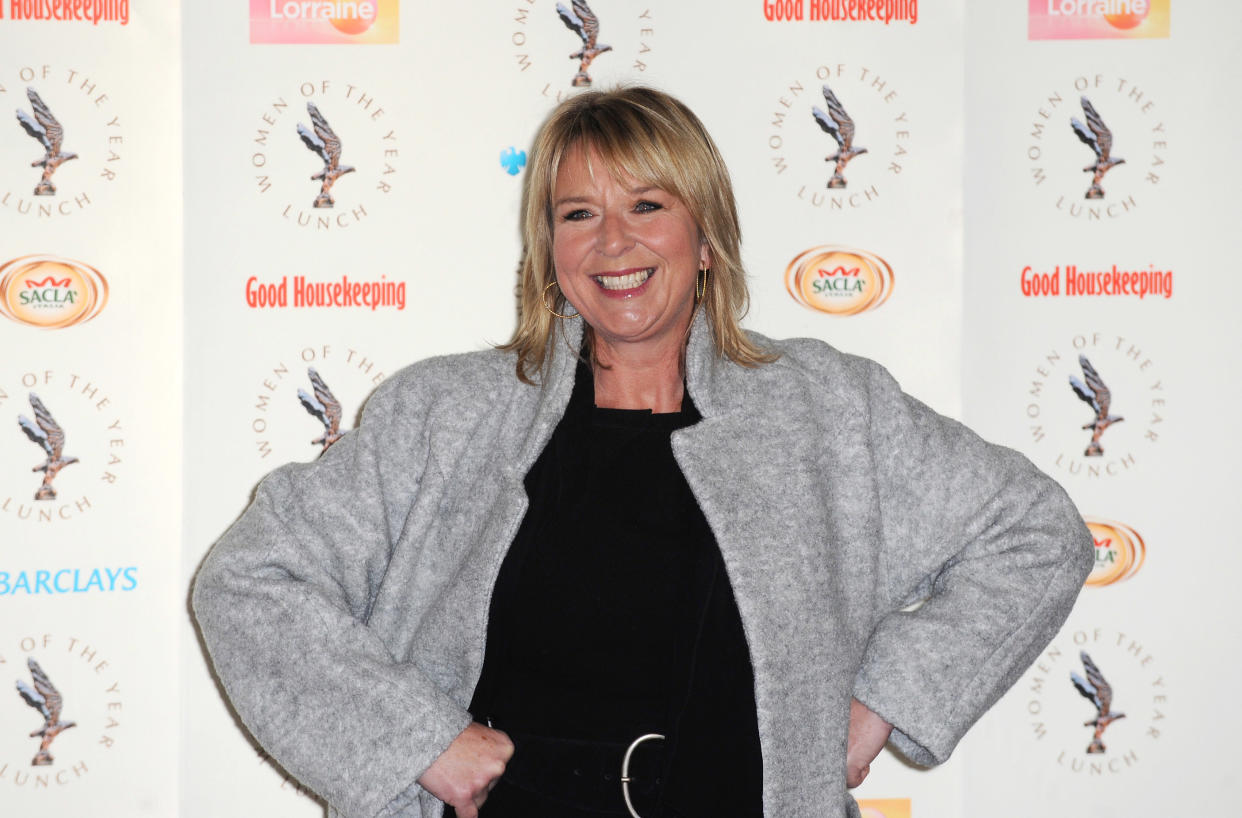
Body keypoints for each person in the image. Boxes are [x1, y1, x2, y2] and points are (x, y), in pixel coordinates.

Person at [193, 86, 1093, 818]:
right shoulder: (446, 414)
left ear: (705, 238)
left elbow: (1035, 534)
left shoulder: (825, 406)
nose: (613, 242)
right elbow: (250, 581)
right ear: (550, 251)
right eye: (578, 213)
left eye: (647, 206)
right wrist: (416, 741)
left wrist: (885, 702)